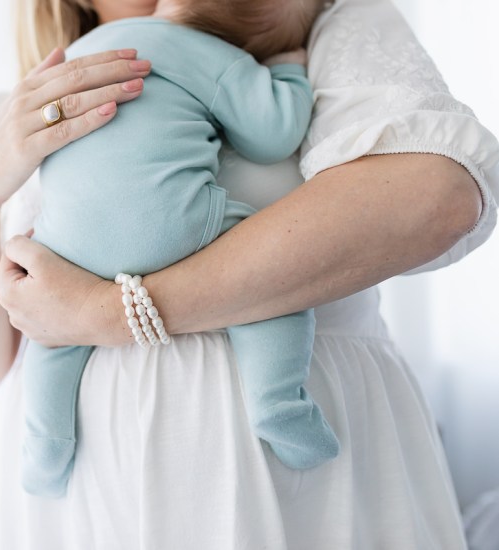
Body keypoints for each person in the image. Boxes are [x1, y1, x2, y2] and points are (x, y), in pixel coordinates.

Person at [0, 0, 499, 547]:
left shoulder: (300, 17)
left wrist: (110, 313)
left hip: (289, 490)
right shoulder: (24, 103)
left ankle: (275, 403)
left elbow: (437, 197)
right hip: (91, 498)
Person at [21, 0, 339, 500]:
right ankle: (278, 403)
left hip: (67, 248)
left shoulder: (77, 55)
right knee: (270, 273)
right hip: (174, 223)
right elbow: (274, 135)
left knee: (53, 334)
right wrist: (287, 71)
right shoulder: (212, 54)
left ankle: (44, 442)